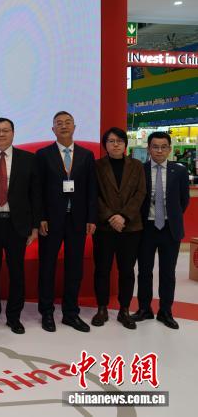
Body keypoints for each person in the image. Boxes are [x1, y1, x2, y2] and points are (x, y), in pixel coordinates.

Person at [0, 118, 40, 335]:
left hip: (17, 224)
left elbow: (35, 195)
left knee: (16, 272)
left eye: (5, 130)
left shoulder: (28, 159)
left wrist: (34, 226)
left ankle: (14, 317)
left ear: (13, 133)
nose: (1, 134)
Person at [36, 111, 97, 333]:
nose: (63, 126)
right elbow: (38, 189)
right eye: (59, 123)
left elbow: (92, 189)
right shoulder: (43, 155)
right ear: (53, 129)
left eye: (67, 122)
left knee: (74, 268)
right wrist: (41, 217)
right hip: (51, 221)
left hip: (77, 220)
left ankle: (71, 313)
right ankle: (47, 312)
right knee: (47, 267)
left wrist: (91, 218)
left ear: (74, 127)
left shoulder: (86, 155)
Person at [133, 131, 190, 330]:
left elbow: (184, 200)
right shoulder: (140, 169)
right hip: (146, 228)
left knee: (168, 272)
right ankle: (144, 309)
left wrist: (171, 216)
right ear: (148, 149)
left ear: (169, 149)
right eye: (155, 147)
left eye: (163, 147)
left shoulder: (179, 171)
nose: (159, 151)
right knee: (144, 271)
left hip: (169, 228)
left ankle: (165, 311)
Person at [92, 127, 145, 330]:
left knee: (127, 271)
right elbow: (93, 195)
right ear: (105, 145)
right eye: (111, 141)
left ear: (125, 144)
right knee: (102, 270)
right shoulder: (96, 166)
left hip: (130, 228)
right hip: (104, 228)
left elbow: (140, 193)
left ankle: (124, 310)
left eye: (119, 141)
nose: (116, 144)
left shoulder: (137, 166)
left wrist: (123, 216)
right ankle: (102, 308)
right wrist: (110, 216)